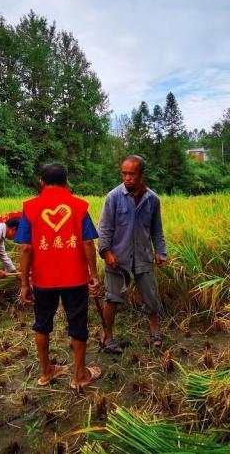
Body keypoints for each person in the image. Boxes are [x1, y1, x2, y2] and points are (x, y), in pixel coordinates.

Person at [16, 163, 102, 389]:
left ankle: (45, 373)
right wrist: (93, 274)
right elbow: (87, 242)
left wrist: (25, 283)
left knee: (42, 324)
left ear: (41, 182)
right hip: (75, 278)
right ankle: (79, 376)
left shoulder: (30, 207)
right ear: (66, 182)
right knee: (78, 324)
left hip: (43, 279)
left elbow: (25, 248)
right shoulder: (79, 207)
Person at [98, 155, 167, 353]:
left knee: (150, 296)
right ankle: (108, 335)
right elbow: (104, 229)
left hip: (143, 255)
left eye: (131, 174)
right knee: (113, 298)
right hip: (117, 258)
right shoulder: (113, 197)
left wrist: (160, 252)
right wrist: (106, 251)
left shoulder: (152, 199)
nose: (127, 178)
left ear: (142, 174)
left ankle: (154, 330)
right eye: (124, 173)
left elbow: (156, 230)